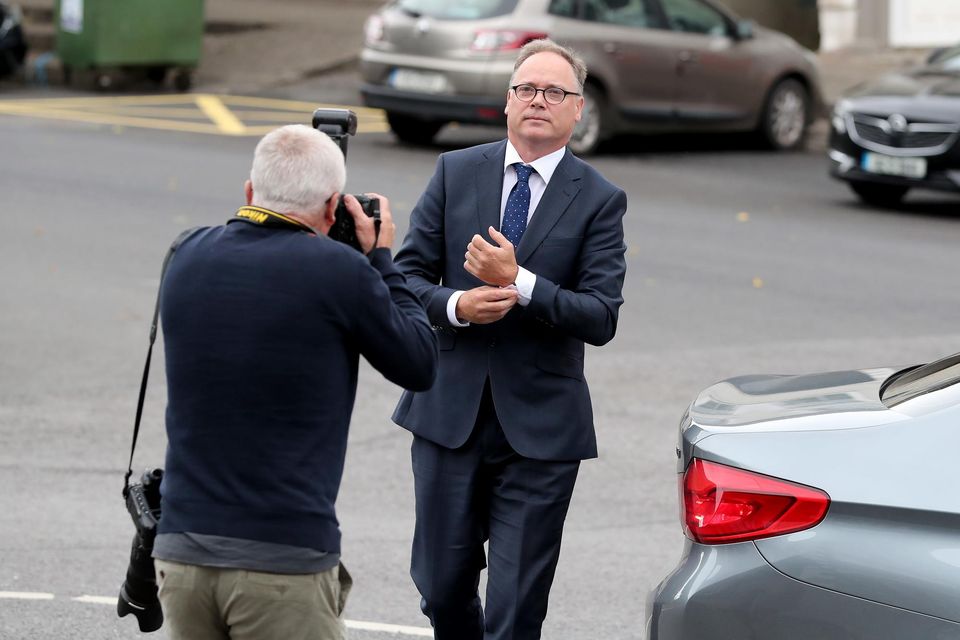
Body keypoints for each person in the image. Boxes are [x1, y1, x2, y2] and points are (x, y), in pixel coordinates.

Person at [152, 124, 438, 640]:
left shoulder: (185, 253)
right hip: (282, 559)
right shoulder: (340, 273)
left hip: (182, 553)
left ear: (249, 191)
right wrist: (380, 260)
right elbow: (418, 362)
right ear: (334, 208)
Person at [392, 39, 628, 639]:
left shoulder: (599, 199)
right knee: (442, 591)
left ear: (578, 110)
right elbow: (406, 278)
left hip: (541, 433)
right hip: (450, 418)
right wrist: (458, 305)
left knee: (515, 612)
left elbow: (600, 317)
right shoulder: (456, 170)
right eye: (526, 89)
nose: (538, 101)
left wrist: (519, 282)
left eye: (555, 92)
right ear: (506, 103)